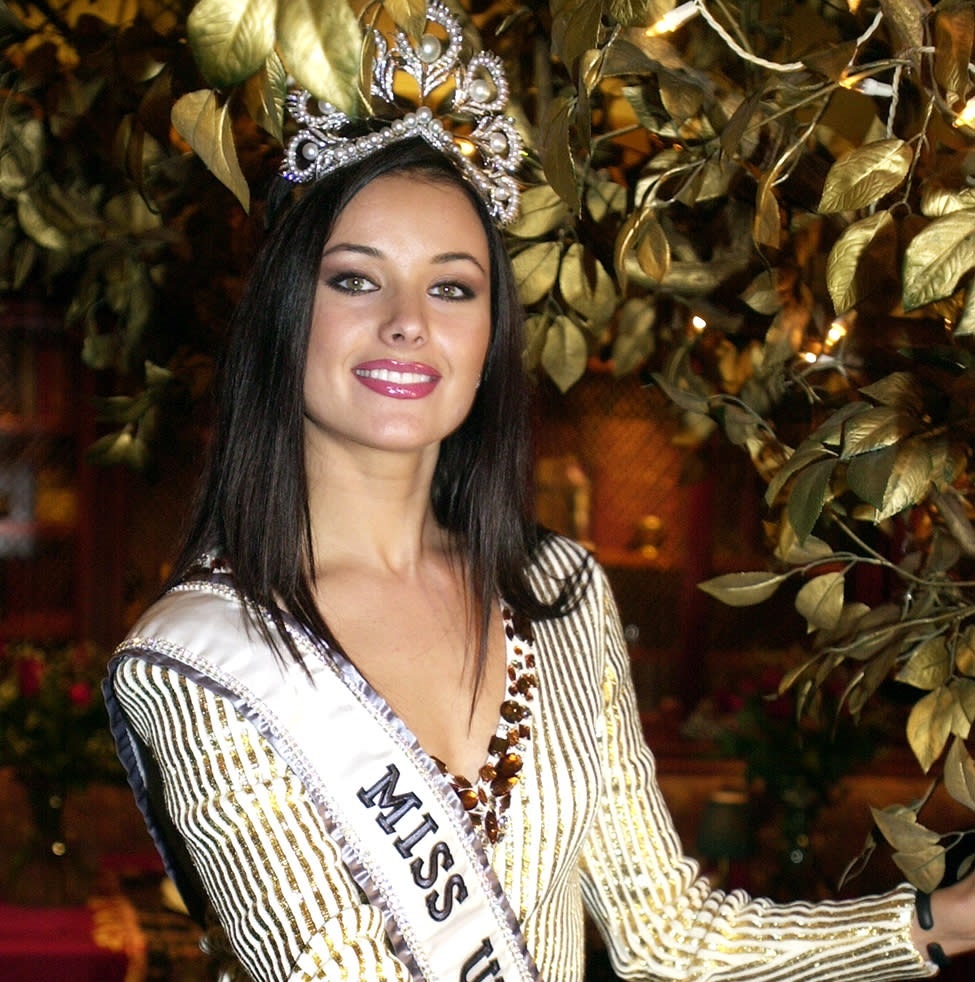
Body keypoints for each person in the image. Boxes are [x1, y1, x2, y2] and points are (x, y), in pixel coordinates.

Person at [104, 4, 975, 981]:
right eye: (355, 280)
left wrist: (939, 919)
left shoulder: (559, 592)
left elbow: (668, 934)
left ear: (489, 339)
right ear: (285, 316)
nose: (406, 322)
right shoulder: (202, 660)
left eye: (452, 287)